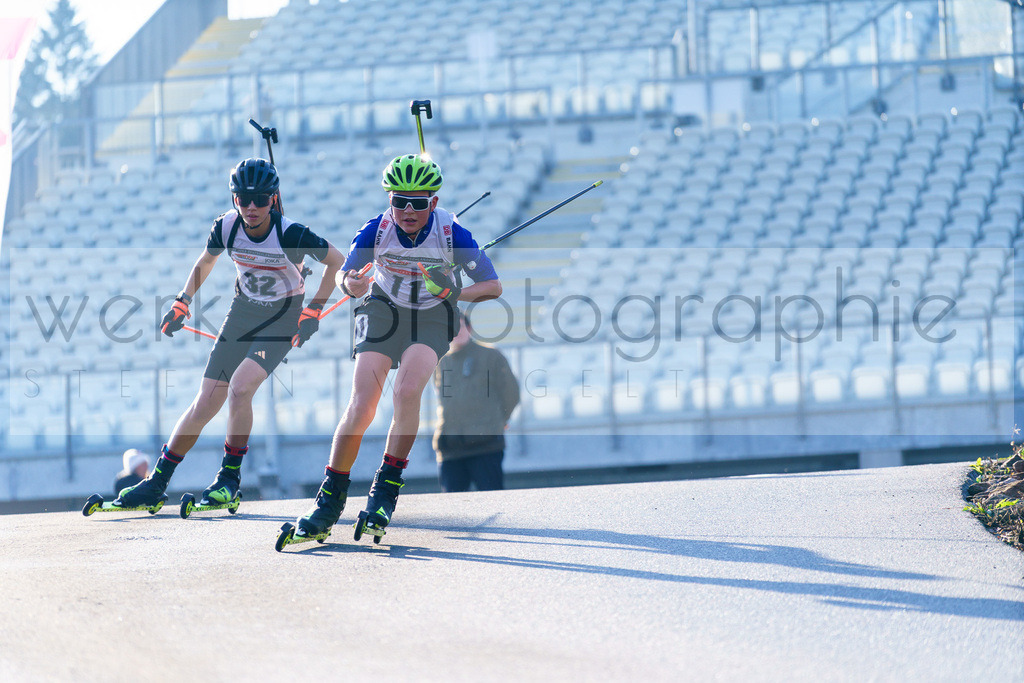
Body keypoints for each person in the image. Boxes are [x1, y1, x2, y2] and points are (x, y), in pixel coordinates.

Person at [114, 157, 345, 509]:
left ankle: (229, 479)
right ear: (234, 198)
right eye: (243, 199)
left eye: (261, 200)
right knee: (205, 401)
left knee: (240, 388)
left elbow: (336, 262)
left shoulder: (292, 233)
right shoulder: (226, 227)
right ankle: (156, 483)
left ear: (273, 198)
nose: (252, 207)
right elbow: (204, 262)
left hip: (283, 318)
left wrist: (313, 310)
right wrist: (182, 301)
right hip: (243, 312)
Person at [292, 153, 502, 540]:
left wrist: (456, 291)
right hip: (384, 308)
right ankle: (330, 498)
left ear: (433, 203)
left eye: (418, 202)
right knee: (363, 402)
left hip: (433, 314)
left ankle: (385, 489)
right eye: (398, 200)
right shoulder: (377, 229)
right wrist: (349, 284)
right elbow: (346, 273)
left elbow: (493, 286)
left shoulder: (454, 233)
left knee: (407, 391)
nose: (407, 210)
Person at [432, 311, 519, 492]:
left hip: (485, 445)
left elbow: (511, 393)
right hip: (450, 447)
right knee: (453, 511)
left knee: (492, 503)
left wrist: (499, 420)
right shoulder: (440, 362)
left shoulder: (491, 356)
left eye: (460, 326)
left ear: (469, 328)